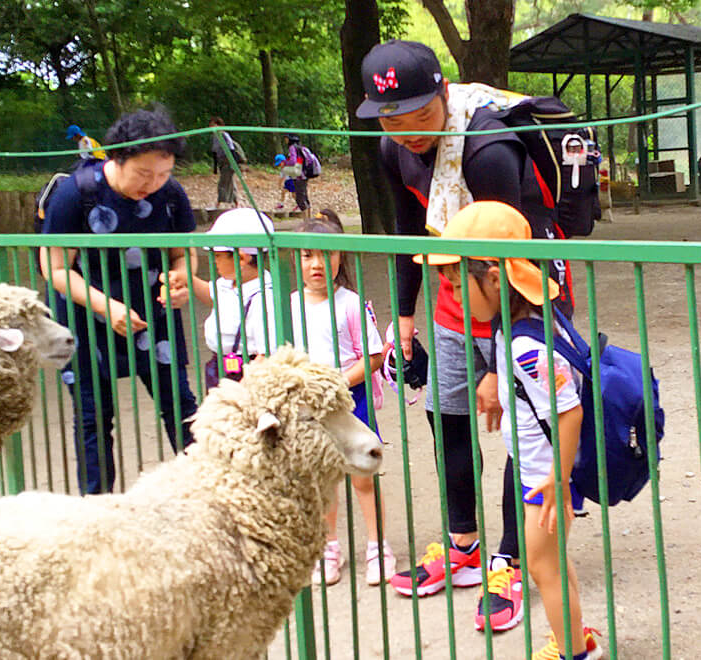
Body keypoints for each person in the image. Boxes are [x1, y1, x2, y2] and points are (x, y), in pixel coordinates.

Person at [356, 39, 576, 632]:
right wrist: (404, 314)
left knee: (520, 429)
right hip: (454, 294)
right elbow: (409, 230)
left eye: (419, 117)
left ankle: (511, 557)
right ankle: (465, 547)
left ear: (444, 95)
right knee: (447, 417)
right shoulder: (392, 147)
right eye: (392, 122)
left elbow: (506, 262)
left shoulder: (487, 151)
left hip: (522, 302)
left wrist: (493, 364)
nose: (407, 133)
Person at [421, 201, 602, 660]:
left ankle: (574, 654)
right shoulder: (514, 326)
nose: (455, 298)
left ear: (496, 279)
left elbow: (570, 410)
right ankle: (577, 640)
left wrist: (558, 481)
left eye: (458, 285)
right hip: (540, 470)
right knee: (554, 563)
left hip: (546, 475)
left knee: (543, 566)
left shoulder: (524, 343)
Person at [41, 109, 199, 495]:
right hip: (86, 317)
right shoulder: (76, 192)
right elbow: (54, 266)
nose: (154, 184)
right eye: (144, 174)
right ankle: (97, 512)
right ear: (117, 158)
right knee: (93, 418)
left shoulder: (171, 194)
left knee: (181, 406)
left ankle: (209, 498)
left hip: (152, 314)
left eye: (163, 174)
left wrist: (180, 279)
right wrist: (103, 306)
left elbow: (183, 254)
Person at [292, 210, 396, 587]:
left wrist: (335, 383)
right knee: (323, 480)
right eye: (307, 255)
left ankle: (378, 547)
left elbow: (373, 356)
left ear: (340, 257)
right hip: (309, 411)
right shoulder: (288, 306)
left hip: (351, 403)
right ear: (296, 259)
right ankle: (328, 547)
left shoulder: (350, 303)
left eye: (326, 254)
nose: (317, 264)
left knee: (362, 477)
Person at [175, 208, 277, 391]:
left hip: (248, 371)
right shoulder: (228, 284)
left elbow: (266, 353)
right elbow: (212, 295)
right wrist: (187, 279)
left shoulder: (263, 298)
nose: (214, 261)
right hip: (221, 365)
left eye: (218, 256)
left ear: (241, 258)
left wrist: (241, 389)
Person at [209, 117, 247, 209]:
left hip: (228, 161)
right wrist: (215, 167)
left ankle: (219, 203)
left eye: (213, 125)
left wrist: (233, 163)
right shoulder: (214, 137)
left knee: (223, 182)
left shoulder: (224, 135)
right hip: (221, 162)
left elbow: (231, 148)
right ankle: (236, 202)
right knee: (230, 182)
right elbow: (214, 152)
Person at [282, 134, 311, 214]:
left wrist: (285, 162)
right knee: (305, 197)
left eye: (286, 138)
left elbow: (293, 161)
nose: (285, 140)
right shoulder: (301, 148)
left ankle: (306, 221)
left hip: (298, 176)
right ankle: (308, 219)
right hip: (305, 174)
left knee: (300, 199)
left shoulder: (292, 148)